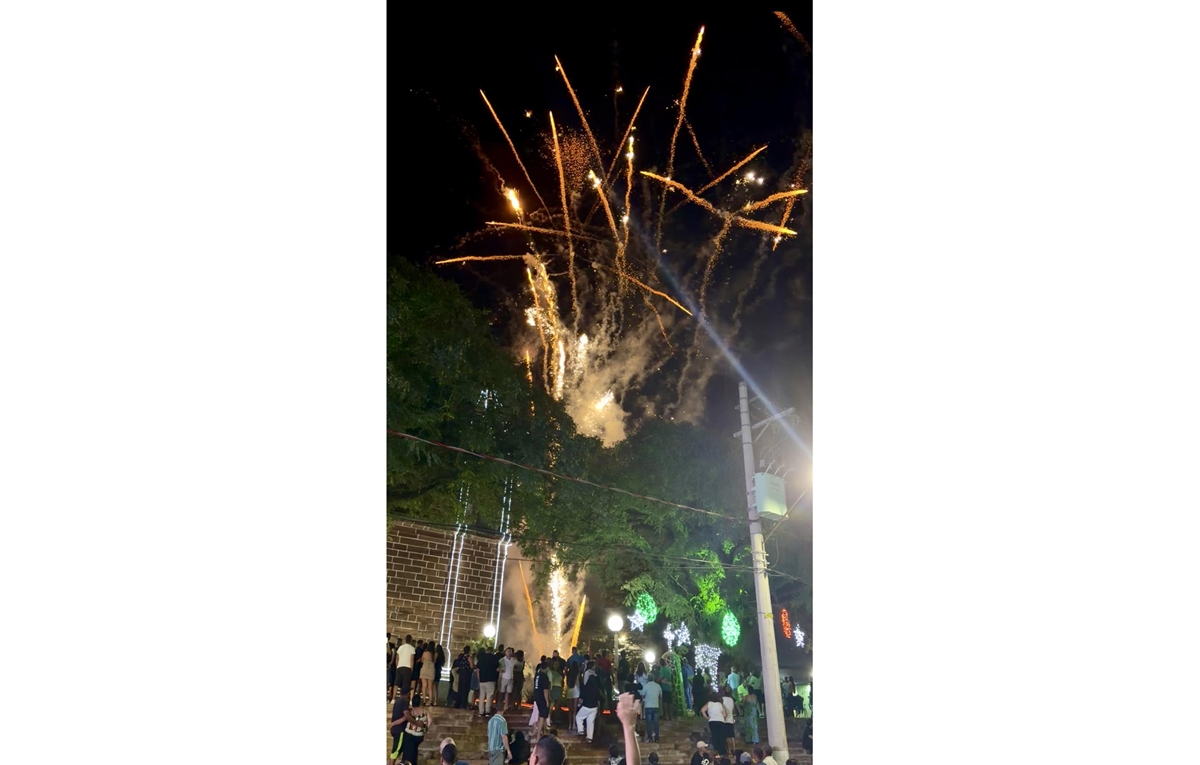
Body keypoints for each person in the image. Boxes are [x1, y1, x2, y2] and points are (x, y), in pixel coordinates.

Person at [575, 660, 601, 742]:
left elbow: (581, 698)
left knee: (578, 717)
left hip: (587, 706)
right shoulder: (596, 689)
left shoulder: (586, 687)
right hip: (594, 707)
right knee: (590, 722)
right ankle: (589, 737)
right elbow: (599, 698)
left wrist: (578, 705)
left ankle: (581, 730)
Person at [401, 695, 430, 765]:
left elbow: (405, 718)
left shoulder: (411, 711)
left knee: (407, 754)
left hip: (410, 734)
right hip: (419, 735)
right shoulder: (424, 711)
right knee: (414, 751)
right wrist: (425, 729)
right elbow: (430, 720)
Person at [389, 694, 412, 762]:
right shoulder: (405, 701)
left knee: (397, 750)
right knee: (395, 751)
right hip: (399, 730)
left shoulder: (397, 701)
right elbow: (405, 716)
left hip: (395, 729)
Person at [640, 672, 662, 744]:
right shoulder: (658, 686)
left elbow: (642, 695)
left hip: (648, 706)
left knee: (648, 723)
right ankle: (657, 738)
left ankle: (649, 738)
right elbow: (660, 696)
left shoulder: (646, 686)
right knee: (656, 723)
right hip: (656, 706)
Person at [478, 646, 500, 716]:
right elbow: (498, 669)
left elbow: (478, 669)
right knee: (489, 696)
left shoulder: (481, 658)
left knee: (481, 696)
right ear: (492, 651)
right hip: (491, 680)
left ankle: (481, 711)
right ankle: (487, 711)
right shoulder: (494, 658)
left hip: (482, 680)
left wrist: (479, 678)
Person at [531, 661, 550, 741]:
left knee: (539, 714)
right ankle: (539, 734)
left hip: (536, 696)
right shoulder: (544, 676)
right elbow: (545, 690)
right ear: (546, 668)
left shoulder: (537, 675)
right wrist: (547, 700)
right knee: (542, 715)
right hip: (542, 697)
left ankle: (542, 731)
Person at [396, 635, 416, 701]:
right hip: (407, 667)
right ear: (411, 640)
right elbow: (412, 659)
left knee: (396, 683)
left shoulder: (401, 647)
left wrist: (397, 666)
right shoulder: (412, 648)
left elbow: (397, 658)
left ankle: (393, 698)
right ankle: (404, 698)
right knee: (406, 684)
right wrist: (411, 668)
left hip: (400, 666)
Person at [547, 652, 564, 725]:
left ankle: (556, 719)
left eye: (557, 664)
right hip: (553, 689)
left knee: (557, 706)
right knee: (551, 705)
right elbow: (549, 682)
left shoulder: (560, 673)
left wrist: (562, 690)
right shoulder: (550, 672)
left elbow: (562, 682)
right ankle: (548, 719)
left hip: (558, 689)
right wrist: (549, 692)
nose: (556, 665)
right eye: (555, 664)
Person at [565, 657, 582, 731]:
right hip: (576, 691)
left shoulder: (568, 674)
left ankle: (569, 724)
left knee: (570, 710)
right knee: (575, 709)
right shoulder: (577, 674)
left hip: (569, 691)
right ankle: (574, 724)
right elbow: (577, 683)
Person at [721, 686, 737, 758]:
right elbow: (733, 710)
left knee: (727, 736)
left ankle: (729, 751)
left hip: (725, 719)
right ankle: (734, 750)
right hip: (731, 719)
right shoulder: (731, 699)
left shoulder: (722, 699)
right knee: (732, 736)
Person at [501, 647, 517, 712]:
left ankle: (506, 705)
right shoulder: (502, 660)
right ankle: (500, 704)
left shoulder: (513, 660)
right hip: (503, 677)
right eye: (507, 651)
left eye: (510, 652)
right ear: (505, 652)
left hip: (510, 678)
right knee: (502, 692)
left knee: (508, 692)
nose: (509, 653)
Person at [388, 635, 397, 702]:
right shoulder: (391, 646)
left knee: (390, 682)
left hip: (389, 666)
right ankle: (389, 696)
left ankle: (389, 696)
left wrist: (391, 662)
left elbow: (393, 653)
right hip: (389, 666)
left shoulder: (391, 645)